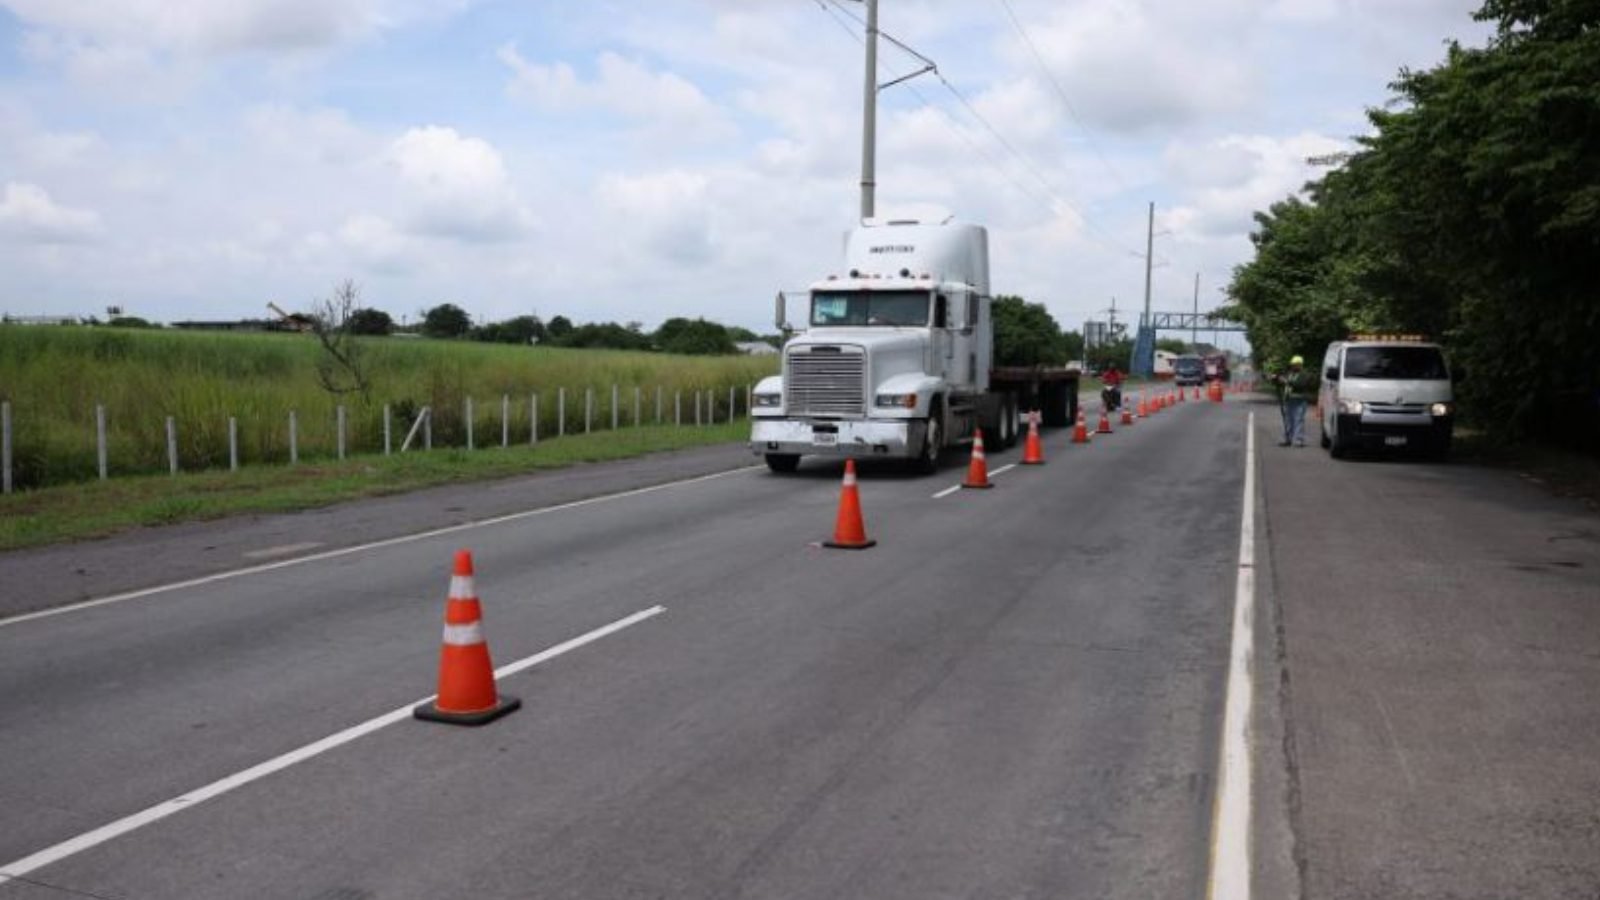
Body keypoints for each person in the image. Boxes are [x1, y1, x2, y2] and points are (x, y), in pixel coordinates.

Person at [1271, 355, 1316, 447]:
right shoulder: (1290, 374)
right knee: (1288, 420)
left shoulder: (1304, 375)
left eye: (1295, 365)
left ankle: (1298, 440)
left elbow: (1300, 384)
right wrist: (1276, 379)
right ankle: (1287, 439)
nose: (1293, 366)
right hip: (1289, 400)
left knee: (1298, 420)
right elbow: (1282, 382)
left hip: (1299, 401)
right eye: (1292, 365)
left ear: (1300, 365)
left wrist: (1286, 381)